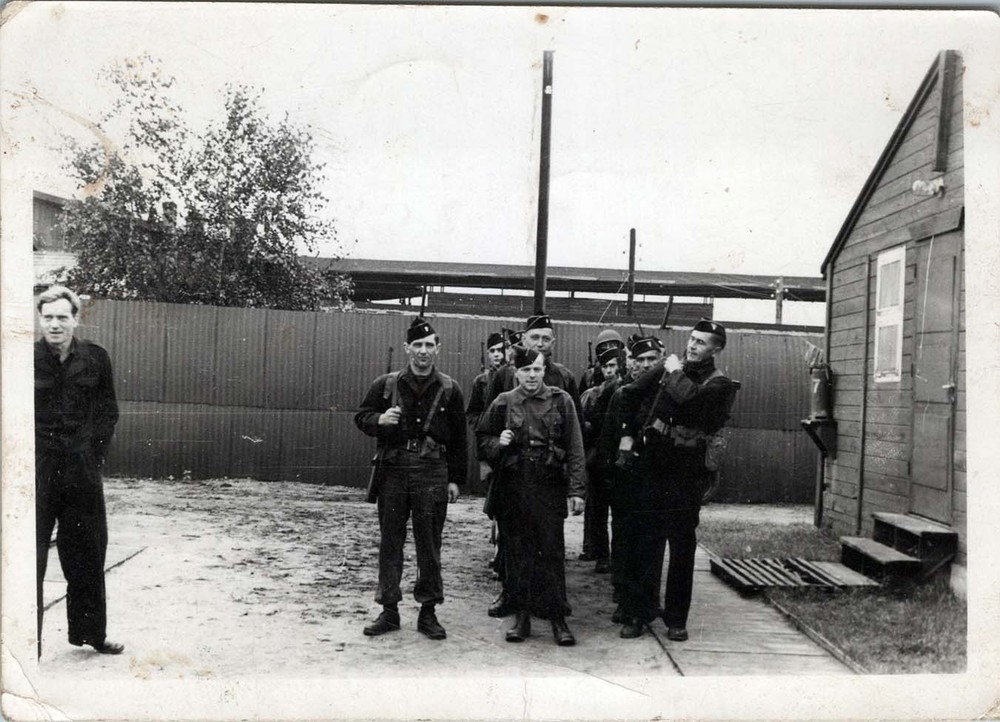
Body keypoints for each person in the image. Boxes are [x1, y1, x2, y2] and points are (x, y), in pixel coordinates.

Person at [609, 320, 738, 641]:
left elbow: (694, 405)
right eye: (692, 339)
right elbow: (630, 395)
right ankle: (640, 613)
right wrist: (627, 436)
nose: (693, 346)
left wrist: (673, 372)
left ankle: (676, 619)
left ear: (716, 349)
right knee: (646, 542)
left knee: (681, 547)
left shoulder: (720, 384)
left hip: (688, 473)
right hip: (652, 465)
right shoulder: (670, 367)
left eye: (701, 342)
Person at [355, 316, 468, 640]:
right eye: (417, 345)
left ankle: (428, 612)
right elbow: (361, 417)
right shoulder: (386, 384)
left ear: (438, 349)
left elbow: (460, 439)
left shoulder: (450, 388)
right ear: (407, 348)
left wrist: (455, 480)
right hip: (393, 469)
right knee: (391, 541)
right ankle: (389, 611)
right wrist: (381, 419)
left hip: (433, 471)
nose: (423, 351)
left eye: (429, 345)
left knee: (429, 545)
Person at [35, 285, 123, 657]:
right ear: (40, 319)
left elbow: (107, 412)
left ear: (75, 319)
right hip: (35, 472)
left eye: (62, 317)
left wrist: (92, 454)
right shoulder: (18, 357)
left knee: (87, 550)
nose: (55, 324)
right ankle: (26, 643)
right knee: (27, 556)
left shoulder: (96, 358)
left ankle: (90, 633)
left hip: (80, 470)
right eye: (48, 317)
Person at [477, 346, 586, 646]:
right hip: (514, 486)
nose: (532, 375)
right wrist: (498, 443)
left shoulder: (561, 400)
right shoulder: (503, 402)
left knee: (551, 551)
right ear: (515, 372)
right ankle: (521, 617)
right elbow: (481, 439)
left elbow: (575, 447)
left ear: (544, 370)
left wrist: (577, 490)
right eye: (526, 370)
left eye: (537, 369)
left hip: (549, 486)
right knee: (518, 552)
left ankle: (557, 619)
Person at [598, 334, 664, 628]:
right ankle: (626, 602)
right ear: (631, 363)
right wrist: (607, 481)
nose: (646, 365)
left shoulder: (667, 394)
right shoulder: (621, 394)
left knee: (650, 547)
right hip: (625, 482)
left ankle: (646, 605)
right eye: (640, 360)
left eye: (652, 360)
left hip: (656, 482)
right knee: (624, 544)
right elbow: (606, 441)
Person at [579, 345, 624, 574]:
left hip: (618, 458)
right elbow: (585, 424)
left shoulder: (625, 389)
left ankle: (614, 556)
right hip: (598, 459)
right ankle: (602, 554)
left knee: (618, 513)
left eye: (613, 365)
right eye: (605, 366)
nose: (609, 370)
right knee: (598, 511)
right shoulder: (592, 394)